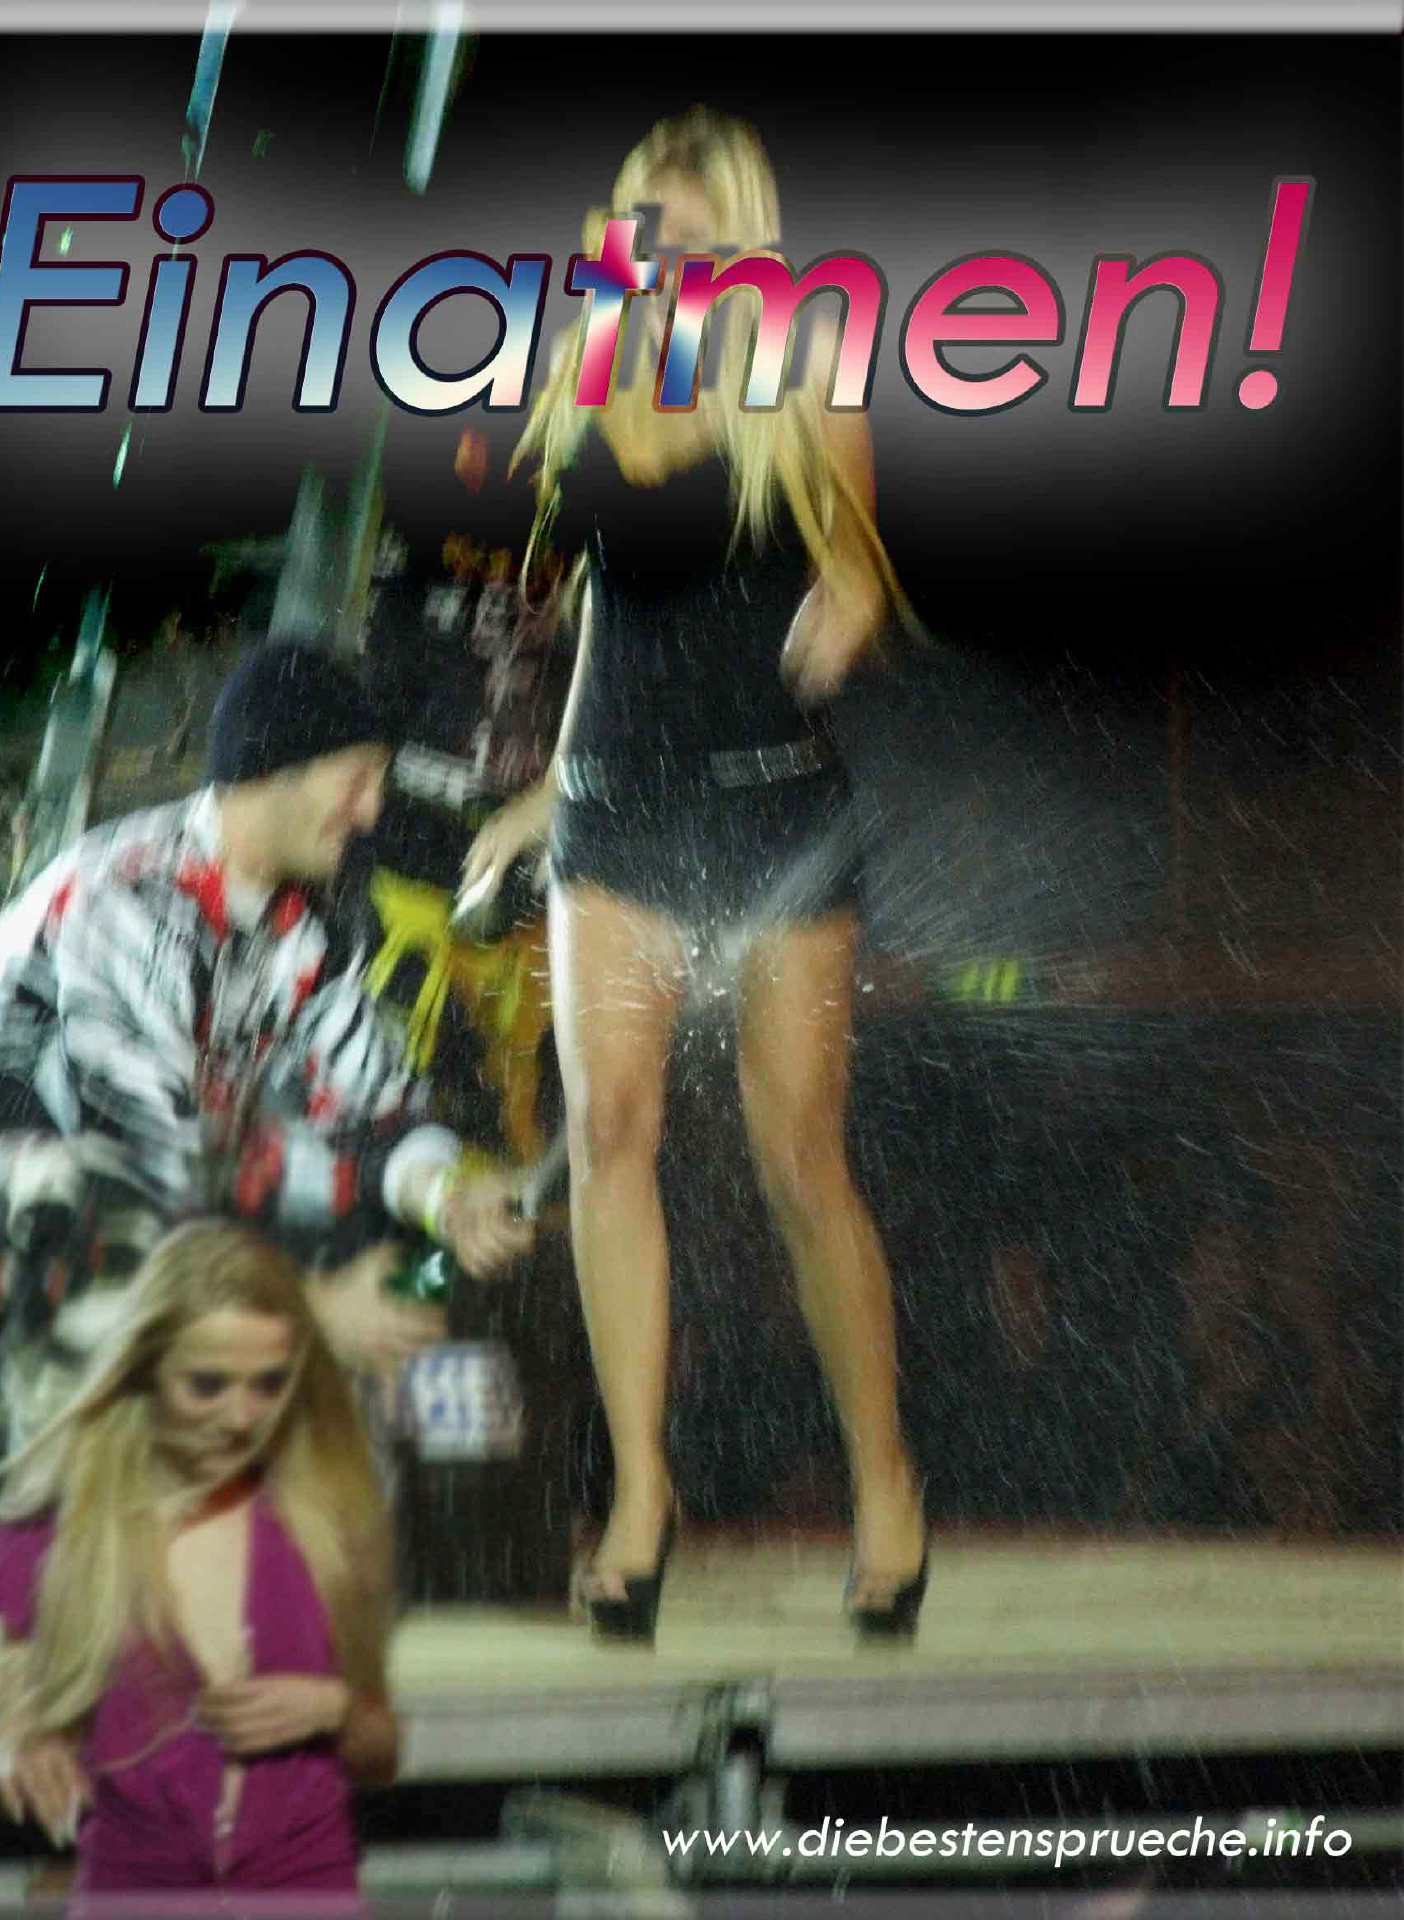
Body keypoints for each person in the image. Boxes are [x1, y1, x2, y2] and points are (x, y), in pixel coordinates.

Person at [461, 107, 928, 1642]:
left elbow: (855, 563)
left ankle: (882, 1481)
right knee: (611, 1131)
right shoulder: (596, 347)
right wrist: (548, 786)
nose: (666, 259)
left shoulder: (808, 363)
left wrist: (849, 614)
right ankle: (641, 1498)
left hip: (771, 807)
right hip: (617, 809)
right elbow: (612, 587)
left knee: (797, 1156)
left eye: (695, 236)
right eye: (643, 229)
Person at [0, 638, 533, 1455]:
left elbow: (379, 1105)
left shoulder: (304, 924)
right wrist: (317, 1311)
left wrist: (447, 1199)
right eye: (357, 780)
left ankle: (336, 1445)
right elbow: (144, 1180)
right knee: (88, 1191)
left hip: (155, 1180)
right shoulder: (129, 900)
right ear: (275, 769)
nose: (370, 812)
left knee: (362, 1206)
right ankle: (46, 1427)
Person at [0, 1219, 396, 1916]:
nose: (241, 1416)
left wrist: (333, 1709)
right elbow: (16, 1733)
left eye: (269, 1384)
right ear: (146, 1370)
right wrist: (18, 1753)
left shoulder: (324, 1524)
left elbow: (380, 1750)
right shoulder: (67, 1529)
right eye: (207, 1385)